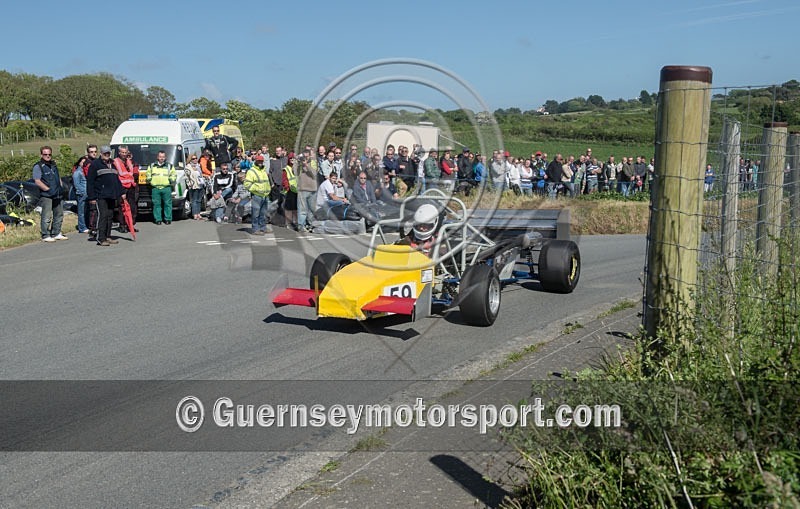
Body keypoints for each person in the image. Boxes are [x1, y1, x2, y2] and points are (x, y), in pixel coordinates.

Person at [87, 145, 123, 246]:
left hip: (111, 195)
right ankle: (100, 238)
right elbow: (90, 182)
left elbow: (117, 180)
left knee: (110, 216)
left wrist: (121, 192)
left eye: (108, 153)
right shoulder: (95, 164)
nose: (107, 155)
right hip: (100, 195)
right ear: (101, 154)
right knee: (102, 216)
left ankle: (107, 236)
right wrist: (92, 197)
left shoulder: (112, 164)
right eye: (105, 153)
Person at [32, 146, 67, 242]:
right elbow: (37, 181)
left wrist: (61, 186)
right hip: (47, 195)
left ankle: (56, 233)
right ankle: (45, 235)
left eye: (49, 154)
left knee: (59, 214)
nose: (47, 156)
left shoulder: (53, 164)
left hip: (58, 193)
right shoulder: (38, 166)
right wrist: (47, 190)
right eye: (45, 154)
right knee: (46, 215)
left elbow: (58, 177)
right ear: (41, 155)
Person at [244, 153, 273, 234]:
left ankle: (263, 228)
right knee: (255, 213)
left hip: (265, 195)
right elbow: (247, 184)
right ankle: (255, 229)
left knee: (263, 214)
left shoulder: (263, 171)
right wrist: (256, 190)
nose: (260, 162)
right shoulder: (251, 171)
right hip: (257, 195)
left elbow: (266, 182)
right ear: (256, 161)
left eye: (261, 161)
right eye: (259, 161)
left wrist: (268, 190)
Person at [146, 150, 177, 225]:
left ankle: (168, 219)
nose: (161, 158)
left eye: (163, 157)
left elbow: (174, 174)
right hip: (155, 188)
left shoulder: (169, 166)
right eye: (160, 157)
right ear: (157, 157)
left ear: (165, 157)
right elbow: (148, 173)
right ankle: (158, 219)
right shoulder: (152, 165)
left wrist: (171, 179)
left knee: (168, 204)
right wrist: (149, 179)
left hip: (166, 187)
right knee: (156, 204)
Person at [113, 145, 139, 232]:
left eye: (125, 152)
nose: (124, 154)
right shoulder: (115, 162)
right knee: (122, 208)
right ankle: (122, 225)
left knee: (132, 208)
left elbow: (132, 173)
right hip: (122, 187)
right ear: (119, 152)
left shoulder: (129, 161)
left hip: (131, 187)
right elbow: (116, 175)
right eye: (122, 152)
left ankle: (130, 225)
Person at [296, 151, 317, 232]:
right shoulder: (300, 164)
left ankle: (311, 224)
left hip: (312, 189)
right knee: (302, 209)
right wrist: (297, 163)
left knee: (312, 209)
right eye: (304, 157)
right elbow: (294, 172)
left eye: (307, 156)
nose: (305, 158)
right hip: (302, 189)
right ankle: (301, 225)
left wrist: (306, 165)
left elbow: (314, 173)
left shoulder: (313, 162)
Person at [72, 156, 89, 233]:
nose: (84, 163)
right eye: (83, 162)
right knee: (81, 211)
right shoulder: (77, 172)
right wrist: (81, 192)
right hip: (81, 194)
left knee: (86, 211)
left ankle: (87, 225)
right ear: (79, 163)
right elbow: (76, 184)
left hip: (87, 193)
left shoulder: (85, 171)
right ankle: (82, 227)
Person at [184, 154, 205, 220]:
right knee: (194, 200)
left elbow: (201, 175)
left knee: (199, 200)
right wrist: (189, 185)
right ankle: (195, 214)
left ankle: (198, 214)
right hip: (193, 186)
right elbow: (186, 177)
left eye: (196, 158)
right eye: (193, 158)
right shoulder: (188, 167)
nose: (195, 160)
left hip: (200, 185)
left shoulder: (198, 166)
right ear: (190, 159)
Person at [282, 152, 299, 230]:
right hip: (289, 191)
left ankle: (295, 222)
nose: (292, 160)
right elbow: (284, 180)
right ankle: (288, 223)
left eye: (293, 158)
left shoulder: (297, 168)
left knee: (296, 207)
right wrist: (287, 188)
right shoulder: (286, 169)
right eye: (291, 158)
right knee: (289, 208)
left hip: (297, 191)